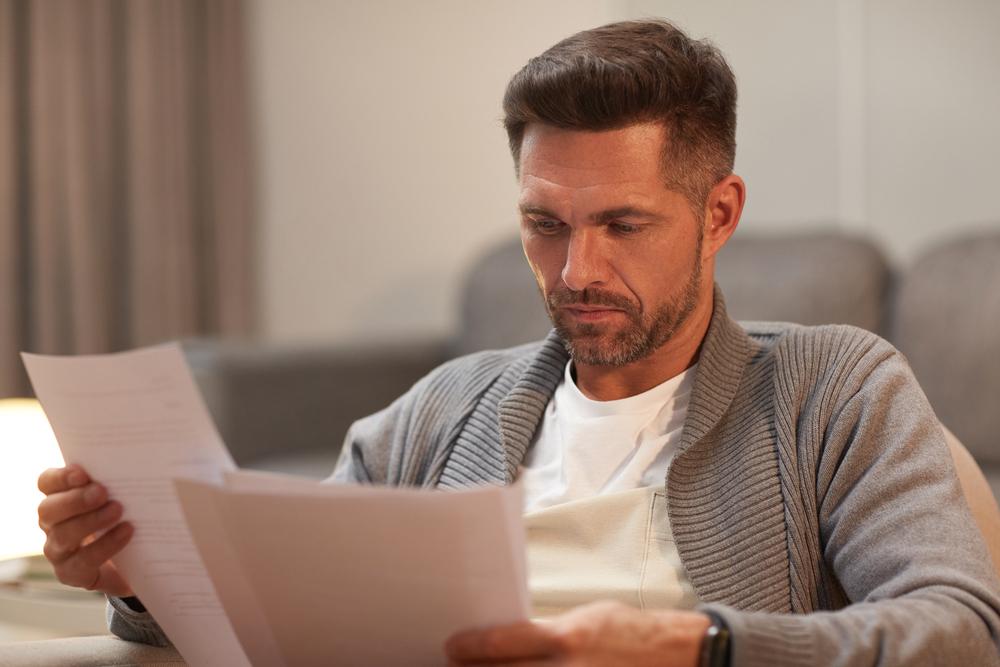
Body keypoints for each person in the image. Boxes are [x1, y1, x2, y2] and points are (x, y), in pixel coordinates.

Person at [36, 18, 1000, 667]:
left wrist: (688, 643)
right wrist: (149, 579)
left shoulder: (831, 387)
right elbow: (290, 608)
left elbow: (959, 628)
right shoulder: (444, 406)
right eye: (544, 224)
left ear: (718, 212)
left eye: (623, 224)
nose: (575, 269)